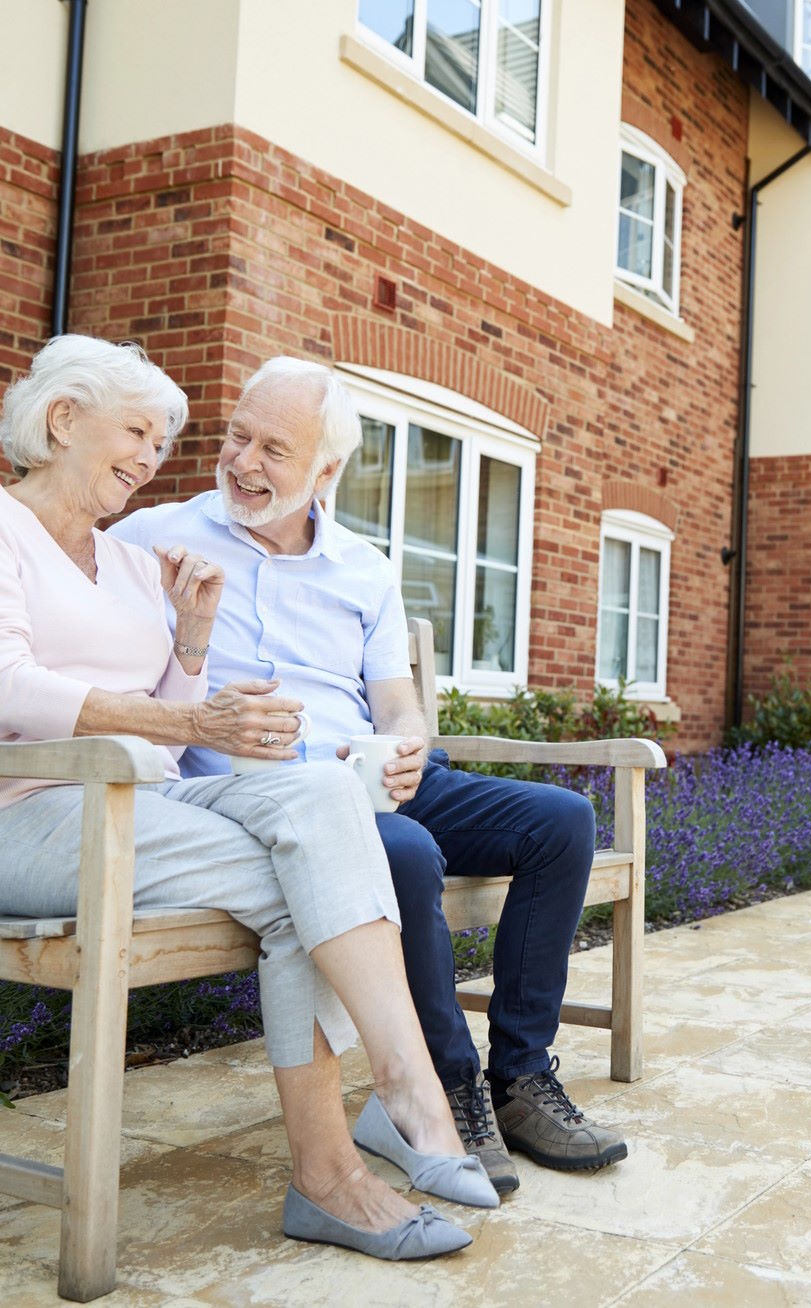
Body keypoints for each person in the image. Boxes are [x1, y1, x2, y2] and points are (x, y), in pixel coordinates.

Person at [0, 335, 503, 1264]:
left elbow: (170, 735)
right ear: (63, 420)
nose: (153, 458)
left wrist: (191, 640)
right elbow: (8, 685)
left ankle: (401, 1096)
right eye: (137, 433)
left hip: (139, 809)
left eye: (162, 441)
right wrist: (191, 720)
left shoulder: (124, 559)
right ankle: (347, 1160)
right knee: (309, 877)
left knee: (320, 798)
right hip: (26, 813)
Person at [111, 356, 629, 1196]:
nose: (244, 462)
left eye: (275, 450)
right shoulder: (151, 538)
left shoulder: (362, 566)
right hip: (264, 798)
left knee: (561, 820)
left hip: (371, 776)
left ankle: (521, 1078)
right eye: (238, 436)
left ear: (326, 472)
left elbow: (394, 701)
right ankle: (446, 1089)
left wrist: (409, 742)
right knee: (406, 851)